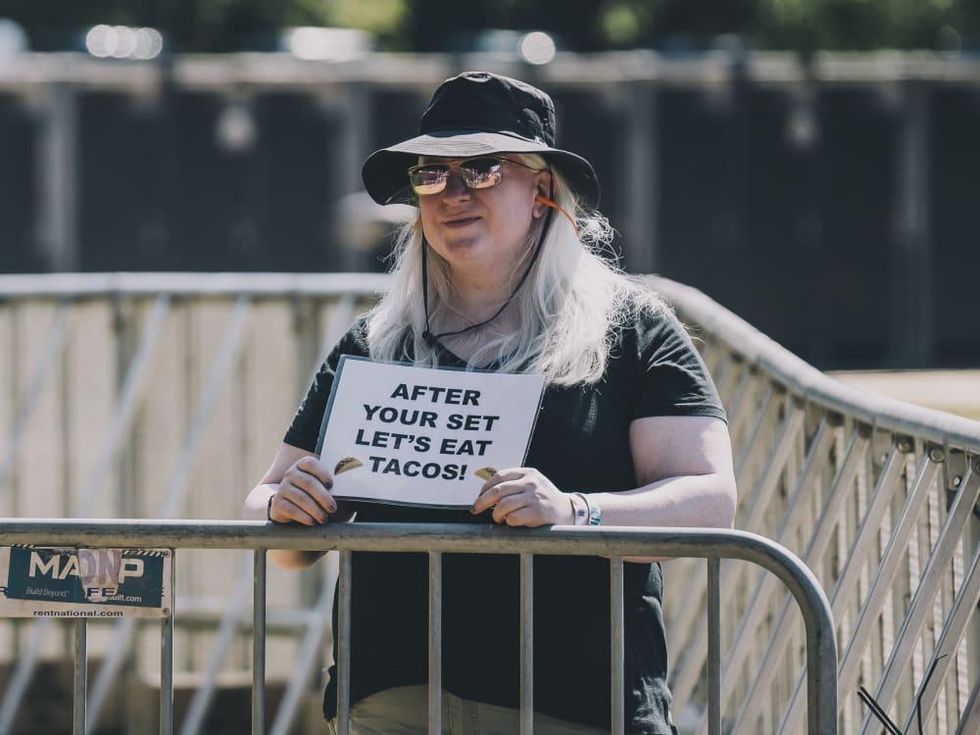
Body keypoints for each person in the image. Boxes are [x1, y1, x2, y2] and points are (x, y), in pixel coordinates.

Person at [243, 71, 737, 735]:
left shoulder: (633, 330)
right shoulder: (376, 341)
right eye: (431, 174)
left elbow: (710, 499)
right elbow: (273, 525)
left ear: (541, 191)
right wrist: (284, 506)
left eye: (480, 169)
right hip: (393, 702)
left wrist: (575, 511)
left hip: (575, 704)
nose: (451, 194)